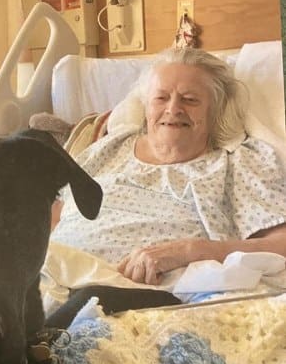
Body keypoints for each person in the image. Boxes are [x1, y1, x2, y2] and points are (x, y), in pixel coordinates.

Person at [50, 47, 286, 286]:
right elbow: (54, 215)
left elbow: (281, 244)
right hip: (49, 278)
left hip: (148, 296)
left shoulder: (238, 163)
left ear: (215, 111)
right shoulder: (110, 146)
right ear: (146, 107)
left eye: (190, 99)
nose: (173, 109)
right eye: (161, 98)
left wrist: (190, 251)